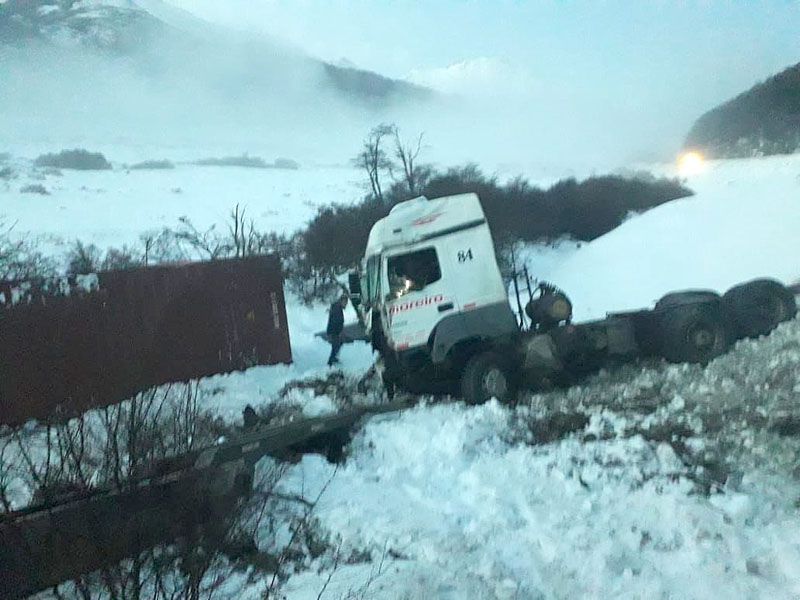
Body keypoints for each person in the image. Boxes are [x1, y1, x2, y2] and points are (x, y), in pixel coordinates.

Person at [326, 293, 348, 366]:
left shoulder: (337, 307)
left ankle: (334, 358)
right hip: (334, 331)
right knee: (336, 346)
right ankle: (330, 362)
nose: (346, 305)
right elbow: (336, 321)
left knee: (338, 345)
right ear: (341, 301)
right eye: (345, 302)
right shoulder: (337, 308)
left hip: (335, 331)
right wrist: (338, 332)